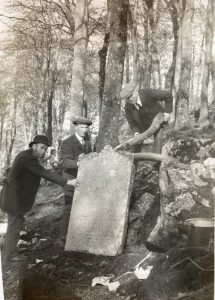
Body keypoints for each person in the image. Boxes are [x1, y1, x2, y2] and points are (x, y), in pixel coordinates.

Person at [0, 135, 79, 261]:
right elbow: (44, 173)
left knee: (16, 223)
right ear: (34, 146)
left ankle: (9, 249)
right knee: (14, 224)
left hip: (15, 198)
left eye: (45, 149)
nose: (43, 151)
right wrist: (67, 182)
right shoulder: (27, 158)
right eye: (42, 148)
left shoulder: (27, 156)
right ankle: (10, 255)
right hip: (13, 199)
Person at [60, 117, 93, 237]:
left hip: (84, 178)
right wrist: (79, 162)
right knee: (69, 208)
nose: (84, 130)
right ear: (75, 127)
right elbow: (66, 163)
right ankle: (64, 236)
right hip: (71, 179)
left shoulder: (88, 141)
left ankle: (79, 234)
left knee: (83, 206)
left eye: (86, 127)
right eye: (81, 127)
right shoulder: (67, 142)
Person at [121, 82, 173, 154]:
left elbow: (168, 95)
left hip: (158, 120)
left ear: (136, 91)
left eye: (131, 95)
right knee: (136, 144)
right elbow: (132, 124)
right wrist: (136, 133)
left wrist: (167, 112)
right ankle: (133, 164)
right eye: (128, 98)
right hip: (143, 127)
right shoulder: (128, 107)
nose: (130, 99)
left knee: (158, 139)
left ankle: (156, 164)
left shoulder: (148, 93)